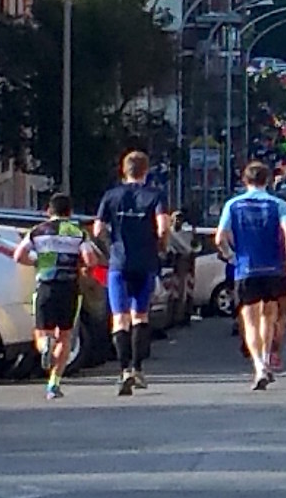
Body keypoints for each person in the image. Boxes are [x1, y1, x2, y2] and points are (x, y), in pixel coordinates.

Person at [92, 151, 173, 396]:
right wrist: (161, 246)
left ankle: (124, 370)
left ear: (123, 170)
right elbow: (163, 227)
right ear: (146, 170)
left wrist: (111, 247)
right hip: (145, 262)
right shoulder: (155, 196)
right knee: (140, 315)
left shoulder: (111, 196)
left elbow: (97, 230)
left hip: (118, 263)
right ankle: (138, 369)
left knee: (119, 318)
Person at [216, 162, 286, 392]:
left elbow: (219, 238)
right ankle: (266, 356)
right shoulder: (279, 204)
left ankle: (259, 365)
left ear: (245, 180)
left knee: (249, 320)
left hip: (246, 268)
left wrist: (232, 257)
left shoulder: (233, 205)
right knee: (269, 317)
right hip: (273, 268)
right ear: (268, 180)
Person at [18, 195, 100, 400]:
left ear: (49, 211)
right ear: (70, 212)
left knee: (41, 331)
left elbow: (19, 255)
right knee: (65, 335)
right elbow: (90, 259)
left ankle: (45, 346)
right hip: (69, 287)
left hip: (45, 286)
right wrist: (83, 268)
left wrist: (38, 262)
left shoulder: (37, 232)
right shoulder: (77, 233)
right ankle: (54, 383)